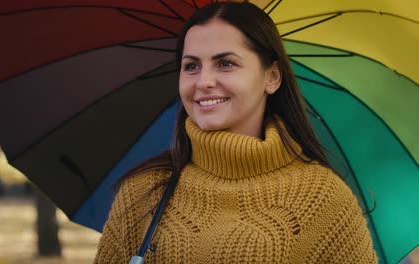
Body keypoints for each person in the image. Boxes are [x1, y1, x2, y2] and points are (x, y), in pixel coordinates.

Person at [95, 2, 378, 263]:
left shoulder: (323, 198)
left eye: (226, 63)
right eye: (191, 66)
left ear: (272, 76)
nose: (204, 81)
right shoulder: (142, 192)